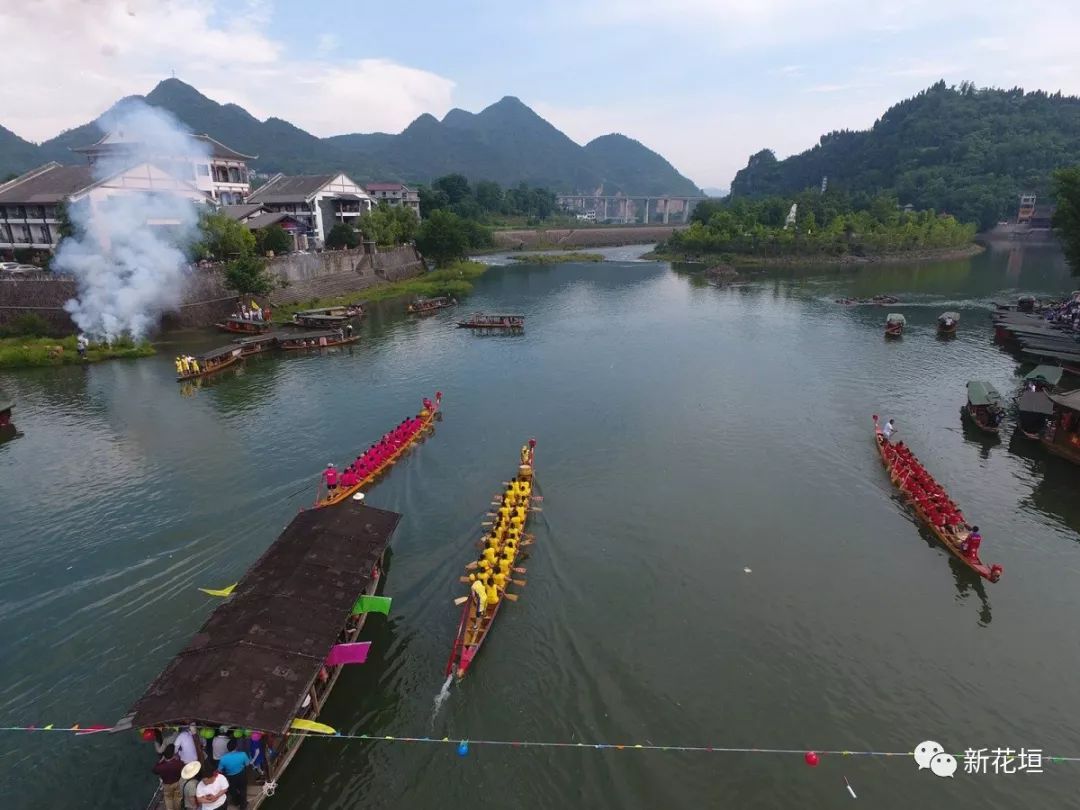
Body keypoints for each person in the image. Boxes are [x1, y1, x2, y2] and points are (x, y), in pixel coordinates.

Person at [217, 739, 251, 810]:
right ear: (236, 747)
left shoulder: (223, 758)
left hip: (230, 777)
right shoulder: (243, 754)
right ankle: (243, 806)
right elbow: (247, 765)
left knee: (233, 790)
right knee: (243, 790)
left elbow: (219, 770)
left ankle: (236, 802)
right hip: (241, 775)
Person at [153, 744, 185, 810]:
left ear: (164, 756)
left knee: (168, 799)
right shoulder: (178, 763)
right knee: (177, 798)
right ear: (173, 755)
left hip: (166, 785)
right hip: (177, 783)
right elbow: (183, 765)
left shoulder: (161, 767)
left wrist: (159, 762)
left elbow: (154, 770)